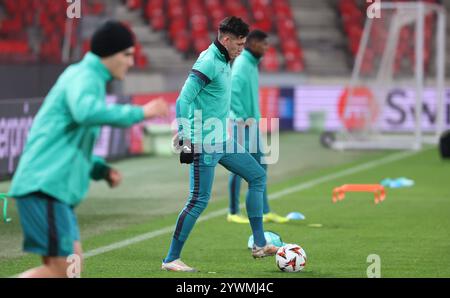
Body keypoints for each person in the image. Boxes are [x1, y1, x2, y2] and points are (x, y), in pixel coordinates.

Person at [8, 20, 169, 278]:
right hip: (45, 185)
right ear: (110, 54)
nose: (131, 62)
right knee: (63, 272)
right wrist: (141, 112)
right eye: (127, 54)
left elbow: (69, 142)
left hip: (51, 187)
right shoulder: (85, 76)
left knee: (69, 269)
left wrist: (100, 169)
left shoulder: (86, 77)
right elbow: (85, 112)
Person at [162, 17, 279, 273]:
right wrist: (184, 132)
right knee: (198, 201)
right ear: (225, 39)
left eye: (244, 43)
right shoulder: (208, 62)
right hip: (203, 143)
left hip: (223, 140)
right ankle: (171, 258)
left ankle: (259, 244)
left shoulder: (226, 59)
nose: (242, 48)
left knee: (257, 176)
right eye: (239, 43)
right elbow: (183, 99)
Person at [227, 30, 289, 224]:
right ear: (252, 43)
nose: (266, 47)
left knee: (261, 166)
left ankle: (264, 210)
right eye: (263, 43)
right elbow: (232, 92)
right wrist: (241, 117)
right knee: (239, 167)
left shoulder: (252, 64)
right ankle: (233, 212)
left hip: (251, 123)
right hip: (241, 123)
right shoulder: (243, 64)